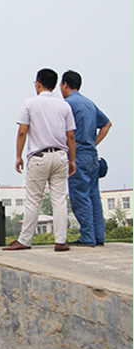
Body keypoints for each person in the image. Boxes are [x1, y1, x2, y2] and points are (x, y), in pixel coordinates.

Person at [5, 68, 76, 252]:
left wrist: (18, 156)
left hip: (39, 157)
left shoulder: (29, 104)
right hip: (60, 155)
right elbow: (70, 136)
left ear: (38, 84)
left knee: (33, 200)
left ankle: (25, 240)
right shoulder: (64, 106)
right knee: (59, 199)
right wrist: (72, 160)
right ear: (55, 85)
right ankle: (61, 241)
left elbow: (22, 131)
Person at [60, 70, 112, 247]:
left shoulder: (68, 105)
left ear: (65, 85)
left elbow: (67, 134)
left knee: (80, 196)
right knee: (93, 196)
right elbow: (107, 124)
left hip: (78, 154)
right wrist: (94, 143)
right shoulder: (89, 103)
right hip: (91, 154)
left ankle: (87, 237)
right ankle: (98, 236)